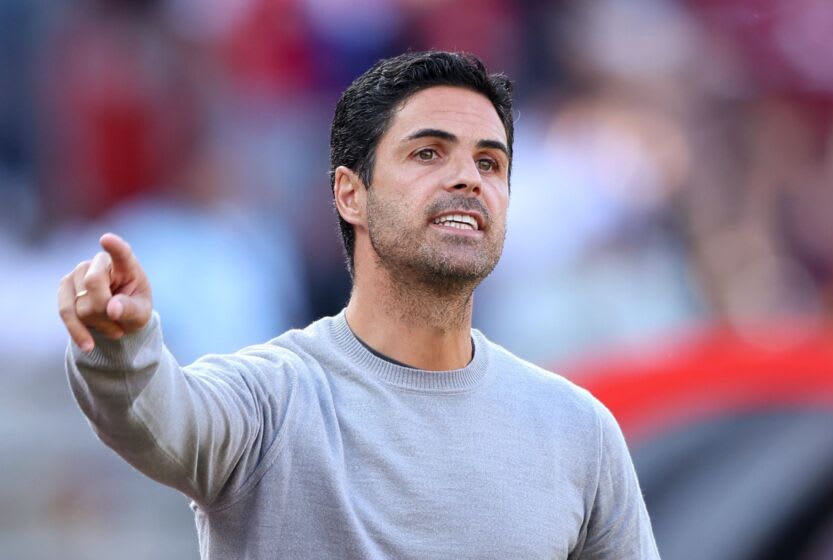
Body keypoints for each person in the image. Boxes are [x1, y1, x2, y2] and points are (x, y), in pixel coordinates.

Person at [59, 51, 660, 559]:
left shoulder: (578, 430)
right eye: (428, 153)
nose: (468, 179)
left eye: (490, 162)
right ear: (350, 193)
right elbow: (157, 418)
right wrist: (121, 343)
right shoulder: (272, 398)